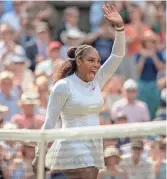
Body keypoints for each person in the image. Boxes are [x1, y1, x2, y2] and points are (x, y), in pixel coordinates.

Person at [33, 4, 125, 179]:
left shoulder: (98, 80)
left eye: (98, 60)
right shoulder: (63, 86)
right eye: (91, 60)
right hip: (70, 145)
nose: (97, 64)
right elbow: (50, 121)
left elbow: (117, 55)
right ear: (79, 62)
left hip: (94, 143)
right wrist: (39, 153)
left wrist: (119, 28)